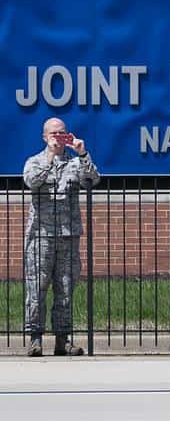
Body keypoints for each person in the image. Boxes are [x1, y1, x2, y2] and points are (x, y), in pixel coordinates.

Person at [22, 117, 100, 357]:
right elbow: (31, 181)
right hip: (41, 236)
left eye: (62, 133)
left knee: (65, 288)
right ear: (45, 137)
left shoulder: (75, 164)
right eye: (53, 133)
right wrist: (50, 159)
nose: (58, 137)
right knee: (37, 288)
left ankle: (62, 339)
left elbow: (94, 179)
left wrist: (83, 153)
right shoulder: (35, 162)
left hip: (68, 235)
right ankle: (35, 339)